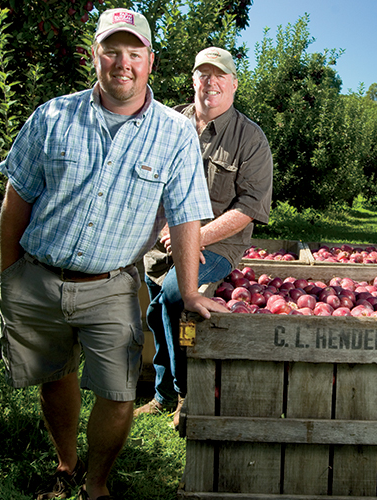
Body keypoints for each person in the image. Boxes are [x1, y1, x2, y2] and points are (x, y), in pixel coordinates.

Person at [0, 9, 228, 500]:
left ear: (150, 61)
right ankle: (67, 463)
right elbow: (17, 200)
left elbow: (187, 217)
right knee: (54, 378)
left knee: (120, 393)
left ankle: (96, 485)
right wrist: (9, 275)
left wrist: (189, 291)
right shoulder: (54, 115)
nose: (123, 63)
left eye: (134, 53)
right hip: (38, 275)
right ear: (95, 55)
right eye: (112, 51)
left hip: (111, 284)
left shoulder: (174, 132)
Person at [134, 47, 273, 425]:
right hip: (162, 238)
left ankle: (185, 394)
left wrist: (195, 239)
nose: (211, 83)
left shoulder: (250, 139)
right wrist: (164, 227)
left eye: (220, 75)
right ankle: (162, 392)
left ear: (234, 84)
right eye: (203, 74)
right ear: (193, 80)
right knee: (156, 308)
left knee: (176, 297)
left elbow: (250, 208)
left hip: (217, 243)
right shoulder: (169, 123)